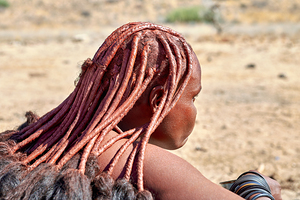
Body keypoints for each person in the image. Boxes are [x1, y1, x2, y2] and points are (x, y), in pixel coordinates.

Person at [0, 22, 281, 200]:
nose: (195, 111)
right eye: (193, 98)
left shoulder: (31, 140)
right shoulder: (144, 165)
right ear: (159, 101)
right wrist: (255, 187)